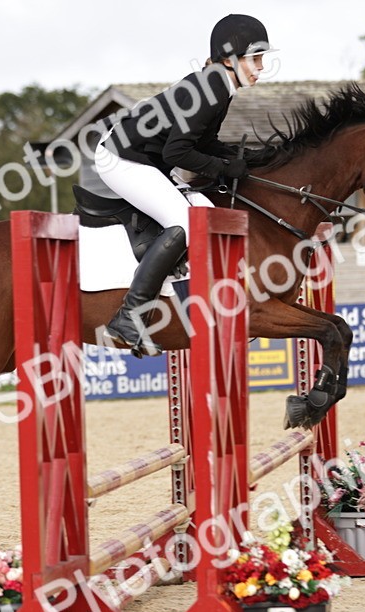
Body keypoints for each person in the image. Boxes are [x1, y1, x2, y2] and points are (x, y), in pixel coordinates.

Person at [95, 13, 275, 355]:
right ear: (230, 58)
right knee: (184, 222)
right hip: (121, 158)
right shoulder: (212, 88)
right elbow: (177, 150)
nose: (262, 67)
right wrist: (223, 168)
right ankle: (128, 316)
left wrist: (249, 158)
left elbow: (202, 142)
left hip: (148, 156)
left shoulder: (220, 84)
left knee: (206, 210)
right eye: (256, 58)